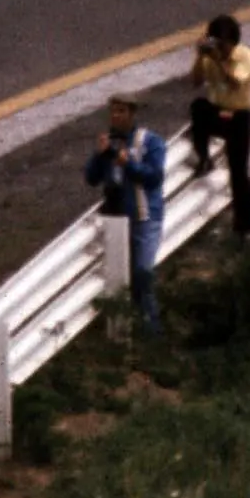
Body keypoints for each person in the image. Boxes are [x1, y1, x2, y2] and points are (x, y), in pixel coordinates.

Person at [85, 95, 169, 330]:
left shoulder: (151, 141)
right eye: (113, 111)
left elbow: (154, 177)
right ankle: (128, 327)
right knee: (122, 277)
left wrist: (126, 162)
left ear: (132, 114)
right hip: (116, 218)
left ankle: (152, 328)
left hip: (144, 216)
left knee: (142, 272)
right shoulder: (109, 143)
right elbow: (91, 178)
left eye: (121, 111)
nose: (115, 116)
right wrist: (99, 154)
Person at [188, 15, 250, 238]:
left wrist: (220, 60)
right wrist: (200, 57)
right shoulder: (209, 58)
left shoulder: (245, 56)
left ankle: (245, 227)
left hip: (239, 116)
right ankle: (204, 157)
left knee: (239, 173)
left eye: (223, 44)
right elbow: (195, 82)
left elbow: (235, 81)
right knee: (198, 106)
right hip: (217, 111)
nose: (220, 48)